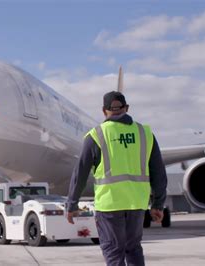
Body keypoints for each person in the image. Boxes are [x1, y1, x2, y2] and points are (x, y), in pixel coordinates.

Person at [66, 91, 167, 266]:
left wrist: (72, 204)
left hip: (110, 205)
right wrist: (158, 204)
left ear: (104, 111)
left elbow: (80, 173)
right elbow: (159, 172)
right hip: (136, 204)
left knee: (113, 252)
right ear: (126, 108)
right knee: (133, 248)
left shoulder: (95, 136)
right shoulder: (145, 134)